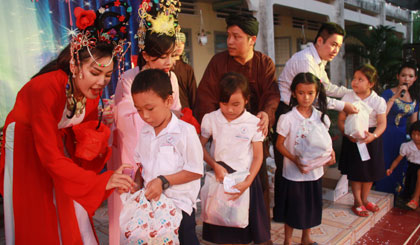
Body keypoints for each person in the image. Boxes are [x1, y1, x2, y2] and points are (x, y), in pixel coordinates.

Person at [0, 3, 135, 244]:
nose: (101, 82)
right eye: (95, 73)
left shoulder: (90, 95)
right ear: (75, 66)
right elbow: (51, 157)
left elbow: (84, 154)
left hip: (55, 146)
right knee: (39, 211)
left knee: (72, 208)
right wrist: (98, 182)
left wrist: (97, 138)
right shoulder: (45, 88)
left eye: (107, 75)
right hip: (25, 145)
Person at [108, 1, 183, 243]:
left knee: (161, 216)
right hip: (131, 157)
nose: (168, 62)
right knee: (128, 213)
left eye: (171, 55)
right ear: (146, 55)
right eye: (162, 57)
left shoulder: (171, 78)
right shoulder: (129, 79)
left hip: (162, 154)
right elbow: (125, 121)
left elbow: (177, 113)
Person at [194, 14, 280, 216]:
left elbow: (272, 94)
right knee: (224, 190)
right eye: (228, 36)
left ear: (252, 39)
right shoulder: (218, 62)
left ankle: (259, 232)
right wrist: (219, 124)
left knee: (257, 184)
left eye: (236, 36)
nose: (230, 41)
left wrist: (267, 114)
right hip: (226, 138)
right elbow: (205, 96)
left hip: (253, 135)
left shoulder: (264, 63)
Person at [273, 22, 358, 219]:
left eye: (338, 46)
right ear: (320, 41)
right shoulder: (306, 61)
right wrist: (343, 105)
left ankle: (302, 211)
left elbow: (326, 87)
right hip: (289, 111)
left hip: (305, 111)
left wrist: (351, 93)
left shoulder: (319, 60)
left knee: (305, 161)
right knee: (287, 165)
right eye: (333, 44)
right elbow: (316, 96)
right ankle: (283, 213)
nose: (336, 50)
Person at [130, 69, 203, 244]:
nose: (145, 116)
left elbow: (195, 171)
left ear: (168, 101)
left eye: (150, 108)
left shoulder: (185, 132)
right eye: (139, 110)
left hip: (180, 207)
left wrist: (163, 181)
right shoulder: (145, 132)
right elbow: (142, 165)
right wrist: (136, 183)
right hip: (153, 207)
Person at [200, 72, 270, 244]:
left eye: (236, 104)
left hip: (245, 178)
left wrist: (248, 181)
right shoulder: (211, 119)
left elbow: (258, 157)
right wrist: (214, 165)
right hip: (220, 177)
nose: (229, 109)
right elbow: (199, 146)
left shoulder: (254, 123)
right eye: (224, 103)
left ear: (247, 100)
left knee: (242, 224)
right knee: (220, 221)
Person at [275, 72, 335, 245]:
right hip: (293, 174)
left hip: (314, 174)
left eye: (310, 93)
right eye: (301, 93)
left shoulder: (321, 117)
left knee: (310, 207)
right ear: (294, 93)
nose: (306, 97)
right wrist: (295, 160)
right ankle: (287, 240)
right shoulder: (287, 118)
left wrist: (331, 154)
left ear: (316, 94)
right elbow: (279, 145)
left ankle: (306, 238)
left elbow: (326, 141)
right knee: (292, 208)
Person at [338, 64, 387, 217]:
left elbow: (382, 123)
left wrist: (374, 136)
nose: (355, 82)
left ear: (371, 84)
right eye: (354, 79)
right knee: (356, 171)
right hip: (352, 138)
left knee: (369, 171)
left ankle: (365, 200)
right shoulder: (348, 98)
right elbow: (341, 120)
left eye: (360, 79)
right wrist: (347, 134)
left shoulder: (378, 101)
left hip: (370, 138)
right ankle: (357, 201)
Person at [375, 62, 419, 194]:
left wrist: (414, 140)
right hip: (385, 133)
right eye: (404, 75)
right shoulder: (388, 93)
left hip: (402, 137)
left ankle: (396, 194)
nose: (407, 79)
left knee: (399, 163)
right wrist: (394, 97)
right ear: (398, 76)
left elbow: (414, 123)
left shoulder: (415, 97)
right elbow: (381, 114)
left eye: (410, 76)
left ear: (415, 79)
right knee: (385, 162)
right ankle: (381, 192)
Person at [386, 121, 420, 210]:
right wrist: (391, 169)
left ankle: (416, 199)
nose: (416, 137)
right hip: (412, 169)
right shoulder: (407, 146)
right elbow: (397, 160)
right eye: (414, 134)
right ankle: (414, 200)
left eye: (419, 135)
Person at [172, 32, 197, 110]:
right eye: (176, 43)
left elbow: (193, 94)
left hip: (185, 110)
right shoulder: (165, 67)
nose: (179, 46)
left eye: (182, 43)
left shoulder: (187, 68)